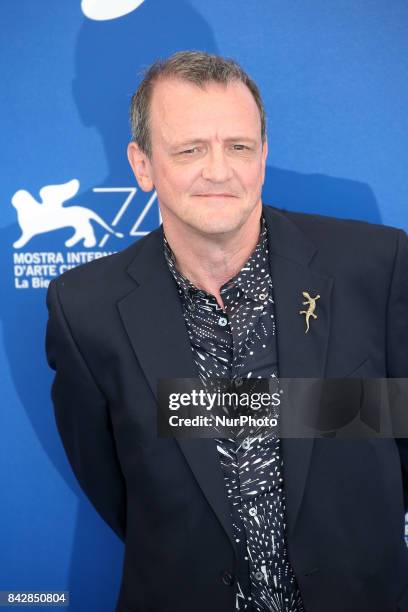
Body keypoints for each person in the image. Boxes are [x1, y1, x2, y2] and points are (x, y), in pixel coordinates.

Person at [46, 51, 408, 612]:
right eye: (190, 150)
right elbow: (112, 483)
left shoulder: (373, 265)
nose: (219, 170)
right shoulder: (85, 307)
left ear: (263, 154)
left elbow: (398, 434)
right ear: (142, 165)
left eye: (238, 146)